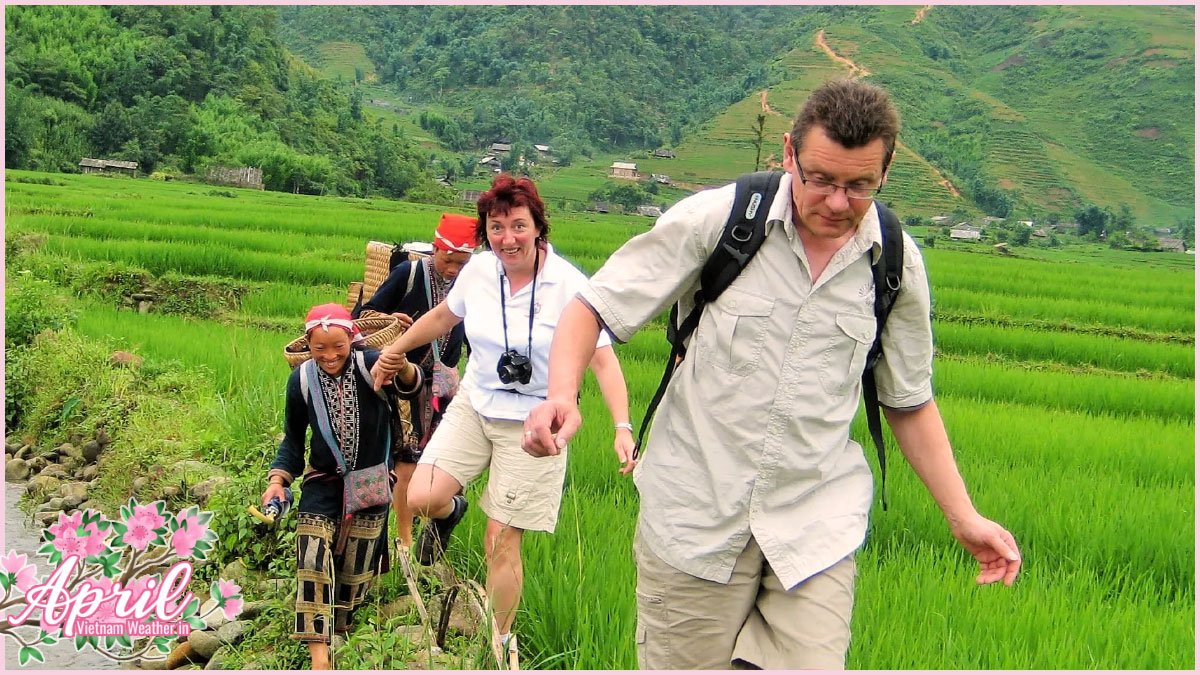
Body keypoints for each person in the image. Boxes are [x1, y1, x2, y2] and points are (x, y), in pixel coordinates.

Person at [522, 78, 1022, 669]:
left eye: (859, 185)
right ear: (789, 154)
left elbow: (907, 399)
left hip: (815, 527)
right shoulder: (721, 221)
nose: (838, 202)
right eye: (821, 178)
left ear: (885, 172)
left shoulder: (894, 261)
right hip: (695, 519)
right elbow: (593, 307)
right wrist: (562, 395)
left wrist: (963, 518)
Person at [370, 174, 636, 655]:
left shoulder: (571, 286)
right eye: (496, 227)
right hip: (476, 403)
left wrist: (622, 425)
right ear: (485, 232)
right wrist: (395, 349)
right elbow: (442, 317)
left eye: (518, 225)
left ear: (538, 228)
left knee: (501, 538)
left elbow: (603, 358)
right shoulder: (478, 272)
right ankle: (454, 510)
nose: (507, 238)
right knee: (422, 496)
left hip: (536, 423)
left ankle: (499, 642)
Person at [263, 303, 421, 670]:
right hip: (323, 482)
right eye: (320, 349)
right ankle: (320, 658)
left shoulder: (372, 365)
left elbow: (410, 387)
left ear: (352, 339)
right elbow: (292, 440)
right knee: (311, 560)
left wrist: (406, 366)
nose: (330, 356)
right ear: (308, 344)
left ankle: (343, 629)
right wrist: (277, 481)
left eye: (338, 346)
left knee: (353, 579)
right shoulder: (300, 380)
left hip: (370, 486)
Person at [353, 213, 476, 553]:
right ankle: (404, 540)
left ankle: (441, 516)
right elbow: (364, 317)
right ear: (436, 248)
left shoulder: (476, 287)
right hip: (400, 384)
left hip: (443, 391)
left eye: (462, 265)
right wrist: (391, 319)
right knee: (405, 463)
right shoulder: (409, 274)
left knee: (439, 464)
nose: (452, 270)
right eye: (448, 260)